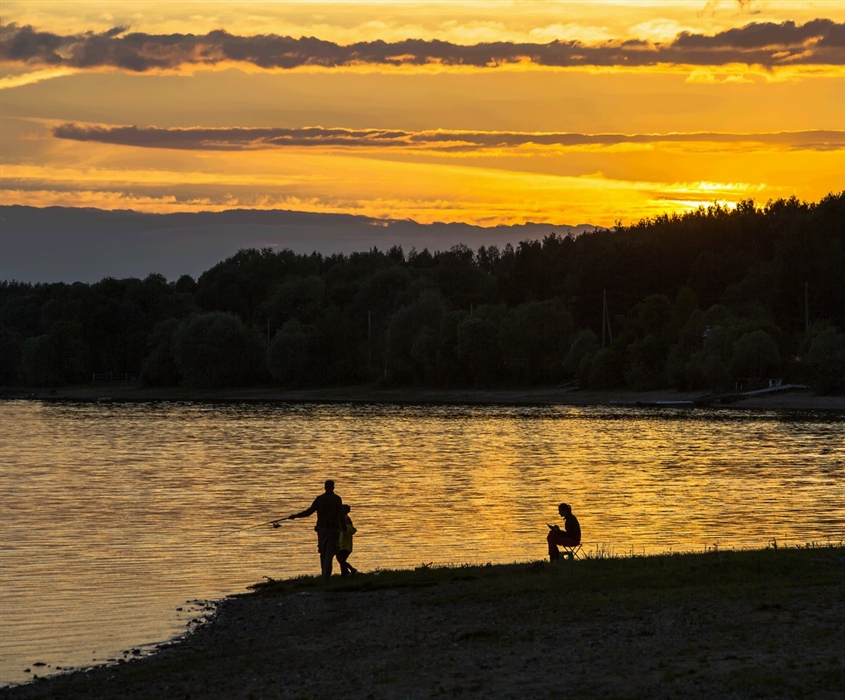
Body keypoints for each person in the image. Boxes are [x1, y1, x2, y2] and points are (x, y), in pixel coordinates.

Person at [288, 479, 345, 579]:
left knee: (323, 553)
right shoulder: (337, 499)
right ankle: (326, 576)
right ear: (333, 487)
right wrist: (344, 528)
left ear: (324, 487)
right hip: (333, 530)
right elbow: (341, 515)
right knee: (329, 553)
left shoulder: (319, 499)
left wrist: (296, 516)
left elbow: (309, 512)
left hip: (321, 530)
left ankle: (324, 574)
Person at [336, 504, 358, 577]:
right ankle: (344, 573)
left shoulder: (344, 526)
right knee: (341, 560)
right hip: (347, 546)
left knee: (341, 560)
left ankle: (352, 570)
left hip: (343, 545)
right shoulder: (349, 526)